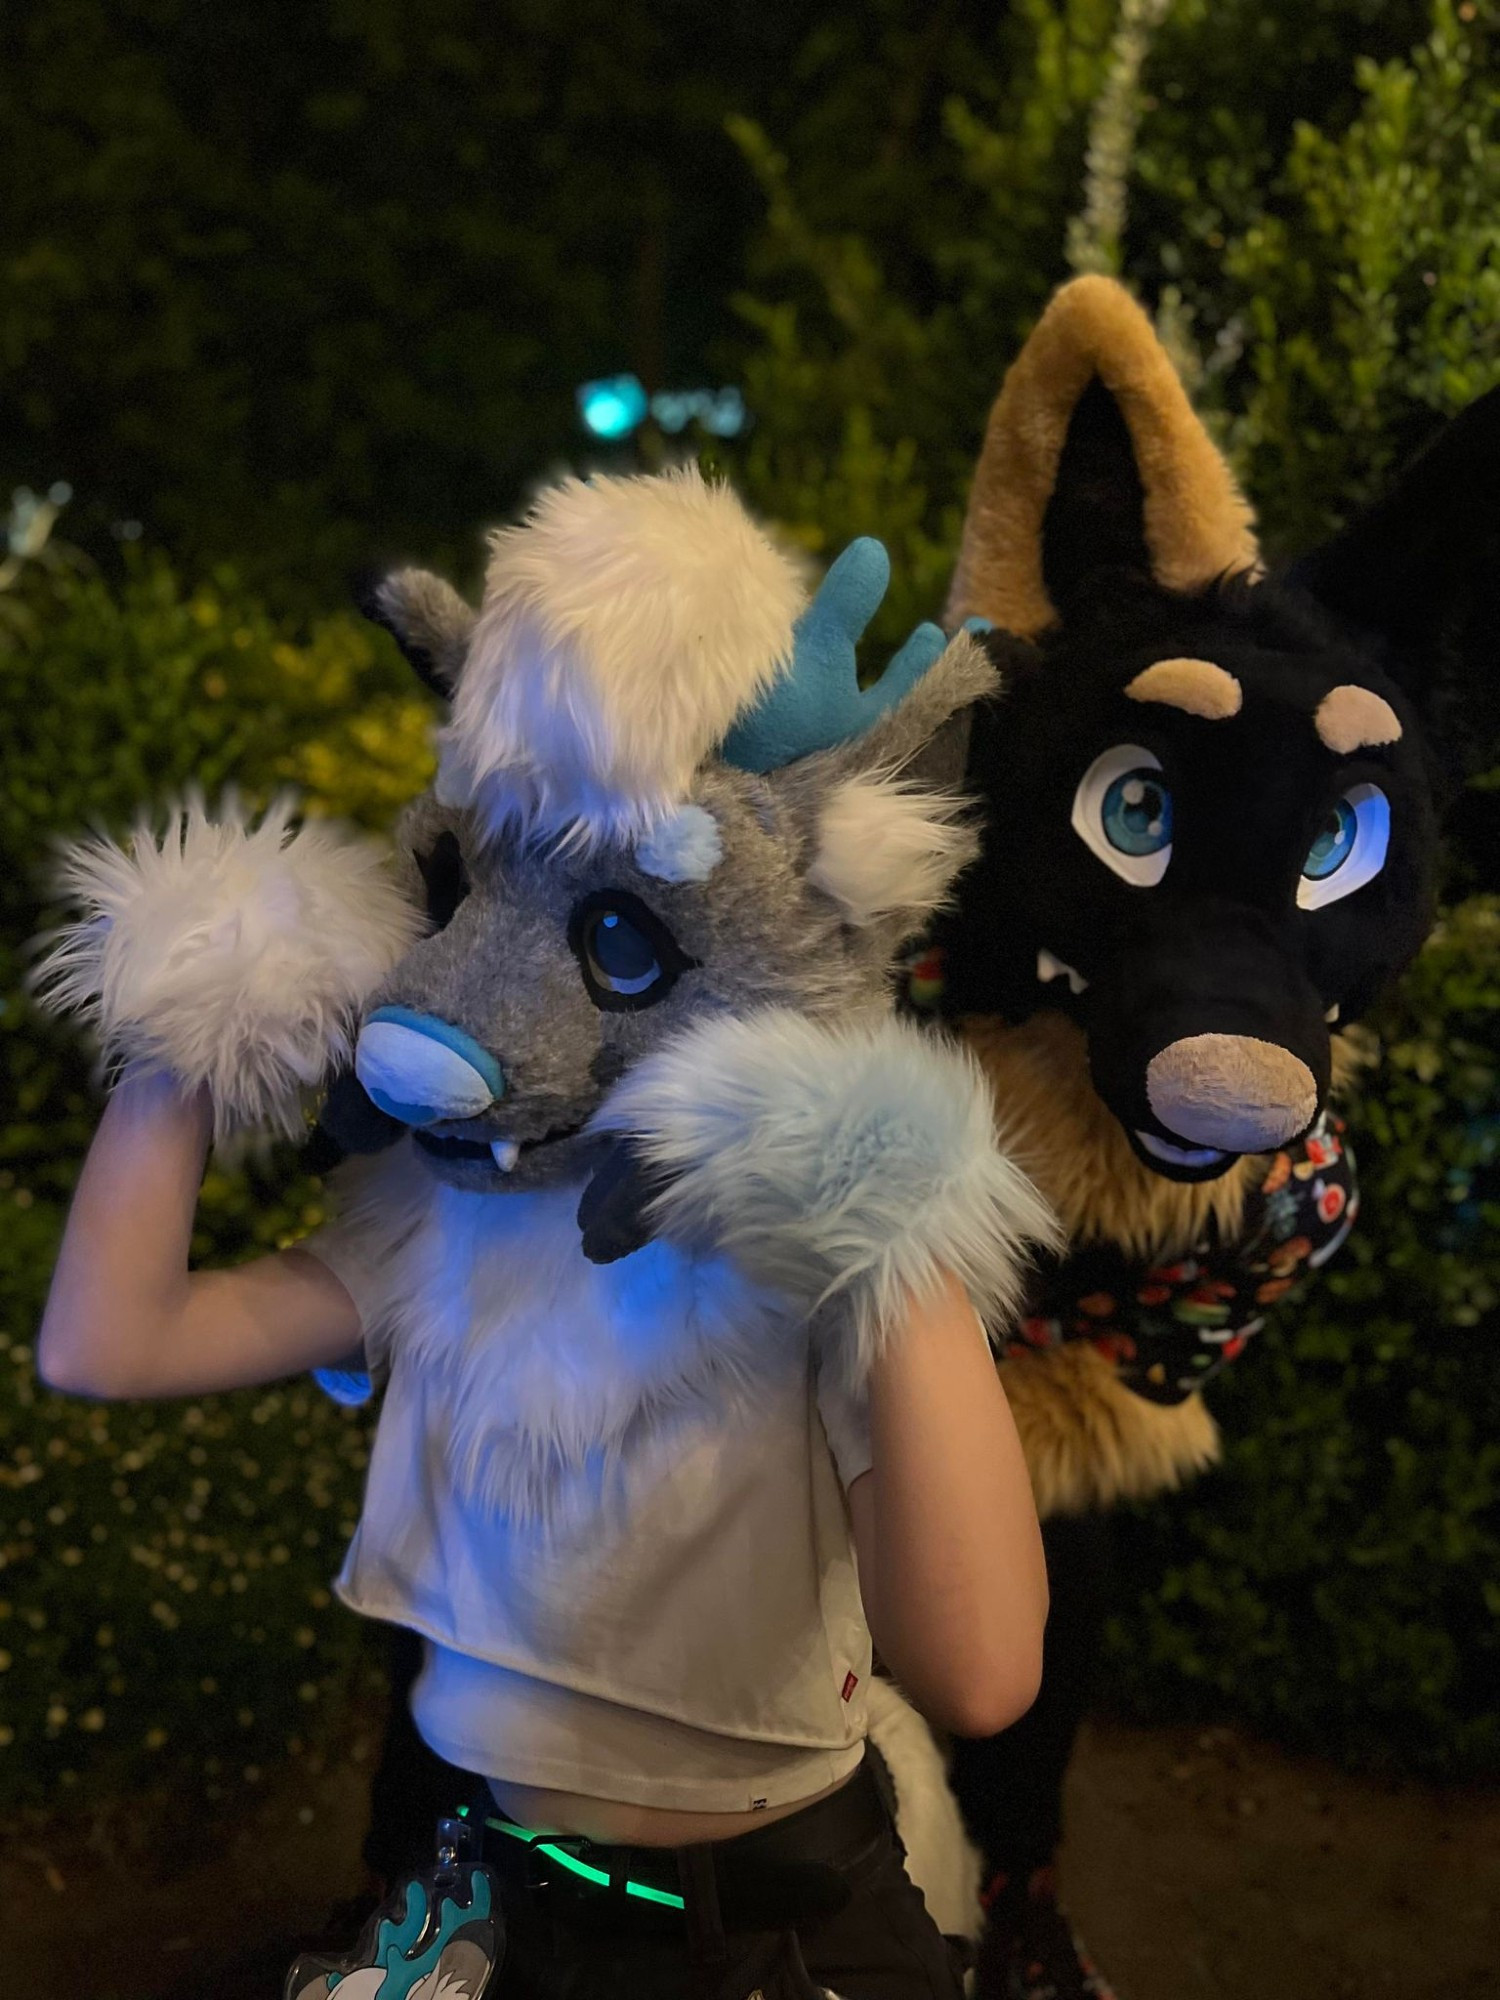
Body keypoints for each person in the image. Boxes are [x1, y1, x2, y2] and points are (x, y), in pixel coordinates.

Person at [36, 467, 1055, 2000]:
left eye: (618, 932)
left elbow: (979, 1670)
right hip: (490, 1903)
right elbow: (108, 1344)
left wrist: (885, 1213)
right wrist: (204, 1004)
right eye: (469, 893)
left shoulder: (805, 1259)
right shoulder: (437, 1221)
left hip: (768, 1932)